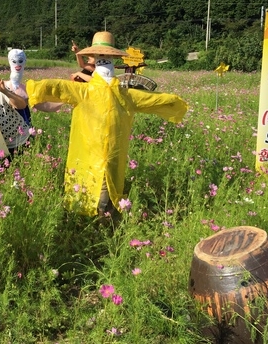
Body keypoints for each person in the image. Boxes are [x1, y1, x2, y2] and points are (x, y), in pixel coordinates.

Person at [27, 31, 188, 217]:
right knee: (88, 192)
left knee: (105, 196)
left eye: (107, 56)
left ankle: (103, 221)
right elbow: (55, 86)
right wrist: (28, 91)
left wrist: (174, 103)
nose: (103, 59)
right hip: (89, 154)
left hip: (111, 155)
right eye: (100, 56)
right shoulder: (86, 91)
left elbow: (150, 99)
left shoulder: (121, 95)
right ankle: (91, 222)